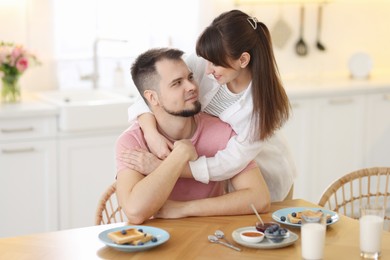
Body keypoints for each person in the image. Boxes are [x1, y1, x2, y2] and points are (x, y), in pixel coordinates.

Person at [125, 10, 296, 202]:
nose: (207, 70)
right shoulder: (205, 62)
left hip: (262, 176)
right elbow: (152, 91)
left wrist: (165, 168)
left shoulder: (260, 107)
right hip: (224, 182)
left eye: (215, 63)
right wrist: (151, 133)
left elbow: (228, 164)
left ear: (243, 60)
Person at [116, 48, 270, 224]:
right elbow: (135, 212)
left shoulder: (221, 131)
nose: (192, 87)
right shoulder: (132, 141)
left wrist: (184, 209)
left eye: (190, 77)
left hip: (209, 238)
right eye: (176, 83)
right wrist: (179, 155)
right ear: (152, 97)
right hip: (152, 243)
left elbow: (259, 198)